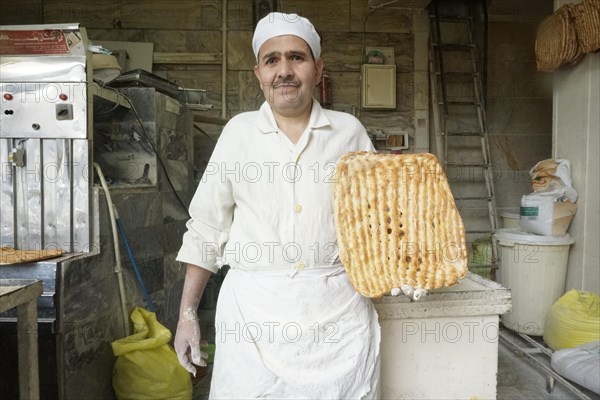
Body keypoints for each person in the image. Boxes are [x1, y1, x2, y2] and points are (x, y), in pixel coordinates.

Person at [174, 12, 380, 399]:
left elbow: (377, 221)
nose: (284, 70)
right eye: (272, 60)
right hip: (253, 320)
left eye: (296, 58)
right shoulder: (239, 133)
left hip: (337, 316)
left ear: (317, 69)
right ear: (259, 73)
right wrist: (187, 316)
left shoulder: (349, 132)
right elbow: (206, 229)